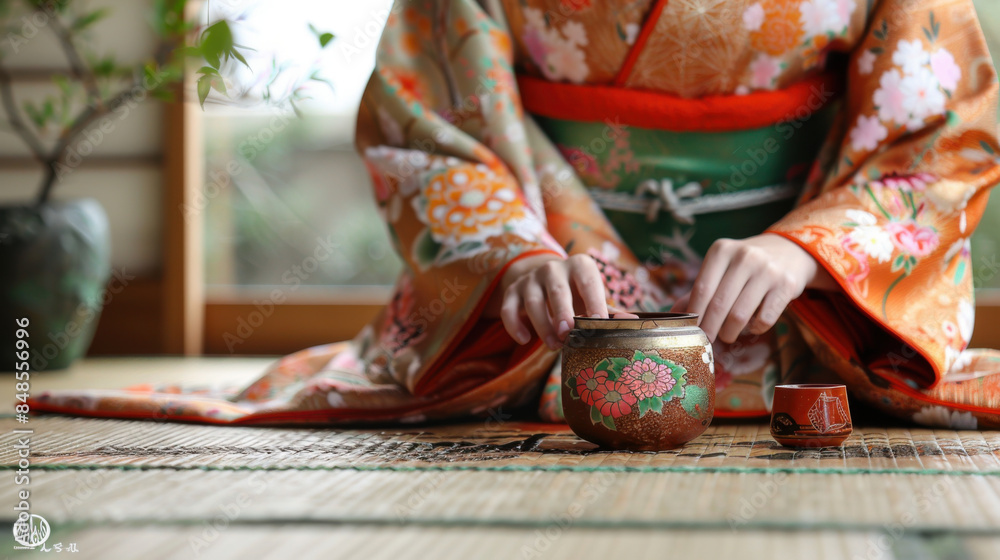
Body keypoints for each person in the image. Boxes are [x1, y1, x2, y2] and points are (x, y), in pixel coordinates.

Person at [30, 0, 1000, 429]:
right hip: (558, 322)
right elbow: (433, 115)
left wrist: (808, 248)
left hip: (800, 321)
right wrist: (511, 256)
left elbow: (939, 128)